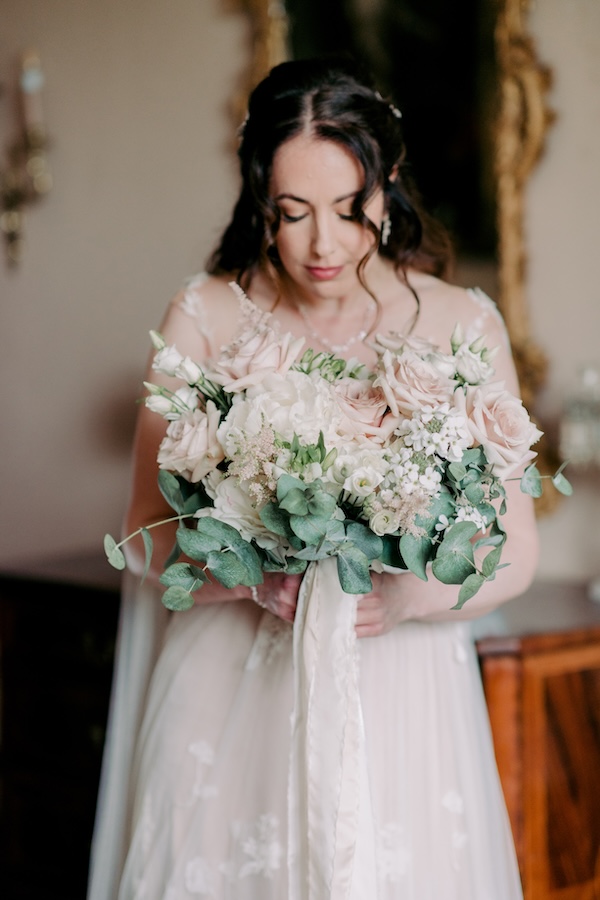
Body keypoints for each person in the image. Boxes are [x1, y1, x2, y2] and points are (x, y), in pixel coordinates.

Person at [88, 57, 539, 899]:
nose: (322, 244)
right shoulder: (205, 314)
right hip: (231, 690)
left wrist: (405, 601)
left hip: (397, 692)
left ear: (389, 184)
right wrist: (249, 579)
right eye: (291, 213)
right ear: (259, 197)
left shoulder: (459, 322)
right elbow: (144, 536)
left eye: (348, 208)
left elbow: (515, 551)